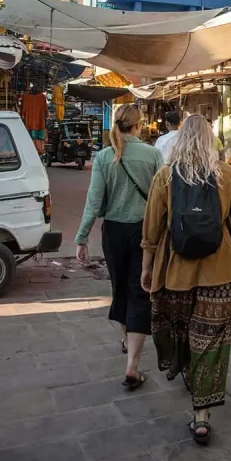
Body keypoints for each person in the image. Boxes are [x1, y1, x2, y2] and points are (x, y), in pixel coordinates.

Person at [141, 114, 231, 445]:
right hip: (219, 272)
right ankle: (202, 415)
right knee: (211, 339)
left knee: (183, 332)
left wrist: (146, 269)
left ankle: (187, 371)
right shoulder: (226, 174)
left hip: (177, 273)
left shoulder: (165, 176)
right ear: (209, 140)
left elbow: (151, 231)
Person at [75, 103, 163, 390]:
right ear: (139, 125)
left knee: (120, 288)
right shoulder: (153, 154)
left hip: (113, 232)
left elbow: (94, 201)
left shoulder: (104, 156)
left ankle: (127, 338)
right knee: (141, 290)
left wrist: (82, 237)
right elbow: (163, 198)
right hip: (145, 232)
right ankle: (132, 367)